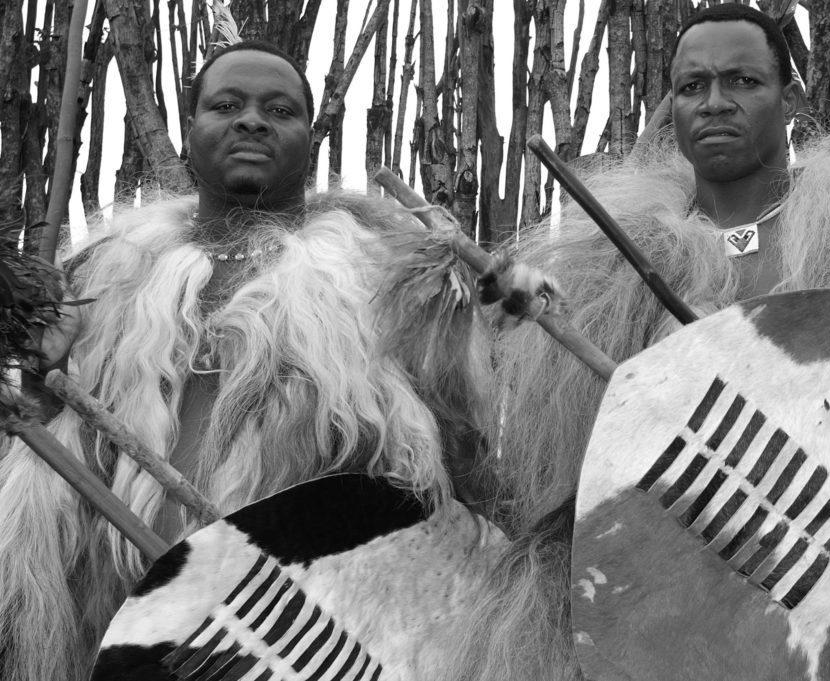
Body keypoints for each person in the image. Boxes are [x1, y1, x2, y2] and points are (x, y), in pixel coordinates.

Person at [447, 5, 830, 680]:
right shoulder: (606, 262)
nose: (714, 103)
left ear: (789, 98)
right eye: (692, 87)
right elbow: (585, 484)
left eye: (743, 80)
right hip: (693, 619)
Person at [0, 41, 488, 681]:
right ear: (191, 129)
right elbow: (46, 456)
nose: (252, 120)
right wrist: (39, 383)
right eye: (226, 105)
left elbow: (458, 459)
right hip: (125, 619)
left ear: (308, 138)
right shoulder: (103, 277)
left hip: (315, 628)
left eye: (279, 109)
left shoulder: (386, 275)